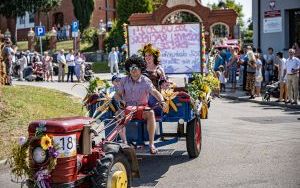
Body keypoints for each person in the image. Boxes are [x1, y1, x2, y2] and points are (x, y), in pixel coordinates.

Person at [114, 55, 166, 154]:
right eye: (131, 68)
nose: (133, 70)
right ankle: (125, 143)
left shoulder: (145, 80)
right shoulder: (123, 80)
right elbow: (117, 95)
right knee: (117, 114)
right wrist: (120, 100)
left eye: (136, 67)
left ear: (141, 69)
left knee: (151, 113)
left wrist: (162, 101)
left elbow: (155, 92)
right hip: (127, 108)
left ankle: (151, 144)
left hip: (141, 108)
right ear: (128, 69)